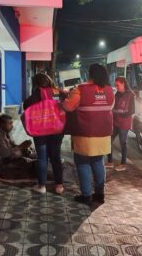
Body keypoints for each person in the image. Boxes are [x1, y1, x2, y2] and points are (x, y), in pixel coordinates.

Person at [62, 64, 115, 205]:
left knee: (83, 163)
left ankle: (86, 195)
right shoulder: (110, 90)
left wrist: (66, 96)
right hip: (103, 134)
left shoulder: (80, 89)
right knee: (98, 162)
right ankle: (99, 193)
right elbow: (109, 108)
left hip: (85, 133)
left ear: (89, 74)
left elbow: (67, 106)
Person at [23, 73, 66, 195]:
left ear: (36, 83)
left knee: (42, 157)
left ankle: (42, 186)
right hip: (56, 128)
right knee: (55, 157)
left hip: (40, 129)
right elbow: (66, 102)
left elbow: (26, 104)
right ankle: (59, 186)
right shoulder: (57, 92)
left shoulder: (37, 93)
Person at [0, 114, 33, 179]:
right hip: (0, 165)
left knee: (31, 157)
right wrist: (21, 146)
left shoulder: (5, 133)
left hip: (8, 159)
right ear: (2, 124)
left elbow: (12, 146)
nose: (12, 126)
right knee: (30, 165)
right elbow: (6, 154)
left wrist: (25, 147)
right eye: (10, 124)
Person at [105, 76, 135, 171]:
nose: (116, 87)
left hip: (124, 123)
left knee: (123, 143)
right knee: (108, 141)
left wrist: (121, 114)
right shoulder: (116, 95)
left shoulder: (130, 95)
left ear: (123, 84)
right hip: (115, 122)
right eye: (115, 85)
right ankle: (110, 162)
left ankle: (123, 164)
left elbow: (132, 110)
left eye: (118, 85)